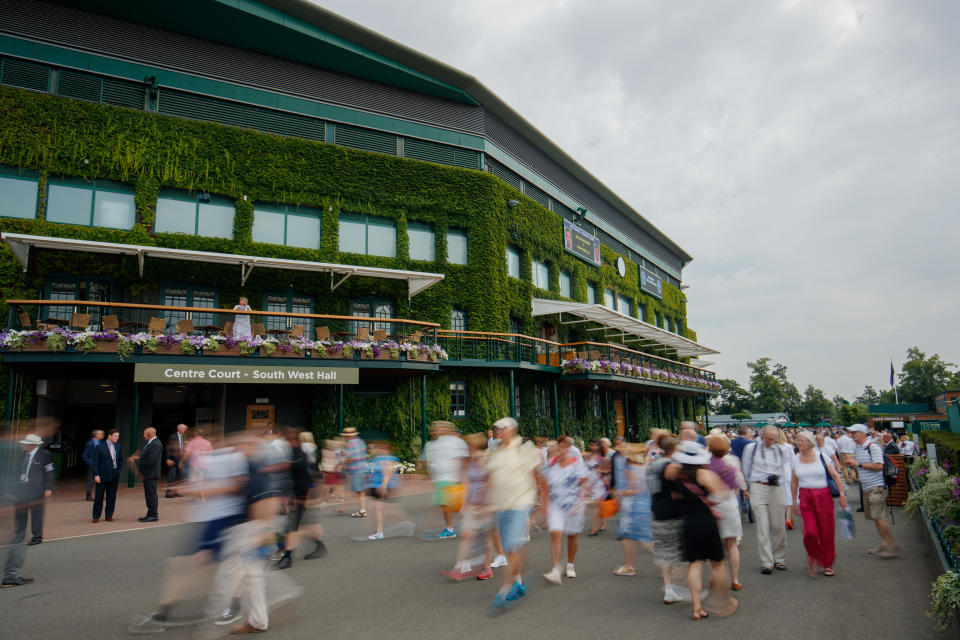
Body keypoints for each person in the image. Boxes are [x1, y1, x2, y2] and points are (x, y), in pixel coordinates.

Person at [664, 441, 737, 620]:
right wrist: (710, 500)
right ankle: (724, 601)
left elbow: (674, 495)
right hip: (706, 521)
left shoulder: (675, 473)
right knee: (717, 564)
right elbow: (723, 493)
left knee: (694, 564)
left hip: (688, 522)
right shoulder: (705, 474)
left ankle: (696, 607)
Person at [486, 417, 541, 612]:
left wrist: (539, 502)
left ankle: (504, 590)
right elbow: (490, 475)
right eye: (497, 429)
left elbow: (536, 474)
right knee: (512, 549)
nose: (498, 432)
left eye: (502, 429)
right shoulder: (493, 449)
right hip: (501, 505)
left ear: (512, 429)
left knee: (511, 545)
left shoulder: (524, 446)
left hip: (521, 502)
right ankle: (518, 582)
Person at [790, 430, 846, 577]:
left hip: (823, 495)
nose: (798, 442)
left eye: (801, 440)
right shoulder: (795, 459)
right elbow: (794, 481)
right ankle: (813, 554)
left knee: (826, 531)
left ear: (809, 443)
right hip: (805, 496)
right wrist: (793, 501)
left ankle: (827, 563)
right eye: (798, 440)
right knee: (810, 532)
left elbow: (835, 475)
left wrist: (841, 494)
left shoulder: (821, 455)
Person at [442, 433, 497, 581]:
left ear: (476, 445)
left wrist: (484, 505)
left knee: (486, 537)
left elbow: (489, 482)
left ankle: (487, 567)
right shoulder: (469, 462)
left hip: (486, 504)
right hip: (473, 504)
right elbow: (466, 483)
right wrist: (465, 504)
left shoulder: (485, 459)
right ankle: (458, 567)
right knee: (466, 534)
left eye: (470, 445)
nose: (468, 447)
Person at [845, 424, 902, 558]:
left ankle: (893, 544)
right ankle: (885, 543)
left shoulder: (873, 447)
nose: (852, 435)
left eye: (855, 433)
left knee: (879, 517)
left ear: (863, 433)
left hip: (877, 486)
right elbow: (860, 466)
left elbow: (878, 466)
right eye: (851, 433)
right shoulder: (858, 448)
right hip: (866, 486)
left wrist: (857, 464)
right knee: (875, 517)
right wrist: (853, 466)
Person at [273, 429, 326, 568]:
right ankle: (320, 547)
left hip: (304, 492)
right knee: (307, 524)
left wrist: (266, 469)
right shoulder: (299, 452)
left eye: (288, 439)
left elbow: (291, 468)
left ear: (296, 440)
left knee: (293, 526)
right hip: (303, 492)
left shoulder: (300, 453)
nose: (285, 442)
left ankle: (287, 556)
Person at [741, 426, 790, 574]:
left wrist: (783, 484)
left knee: (778, 525)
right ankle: (766, 562)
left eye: (774, 439)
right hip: (758, 486)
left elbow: (786, 468)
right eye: (769, 439)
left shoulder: (782, 449)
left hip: (776, 487)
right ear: (762, 435)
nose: (772, 442)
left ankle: (780, 559)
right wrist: (747, 487)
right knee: (762, 525)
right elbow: (745, 467)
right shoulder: (751, 448)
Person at [541, 436, 590, 584]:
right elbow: (545, 485)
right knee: (555, 533)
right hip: (556, 504)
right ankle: (556, 569)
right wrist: (544, 504)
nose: (562, 450)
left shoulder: (576, 463)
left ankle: (570, 565)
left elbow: (584, 482)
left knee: (572, 535)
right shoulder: (551, 464)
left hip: (573, 504)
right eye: (560, 447)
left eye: (565, 447)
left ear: (570, 449)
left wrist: (581, 501)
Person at [647, 434, 684, 604]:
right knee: (676, 548)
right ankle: (675, 586)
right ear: (673, 450)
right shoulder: (672, 467)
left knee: (663, 548)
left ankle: (669, 588)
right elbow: (677, 491)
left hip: (656, 507)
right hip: (672, 509)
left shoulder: (653, 465)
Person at [706, 435, 746, 591]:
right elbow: (737, 486)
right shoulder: (731, 464)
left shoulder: (705, 466)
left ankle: (716, 576)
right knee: (732, 544)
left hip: (712, 505)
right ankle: (735, 578)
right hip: (729, 504)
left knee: (713, 545)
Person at [613, 444, 653, 577]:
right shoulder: (644, 467)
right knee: (635, 537)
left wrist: (618, 492)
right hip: (644, 504)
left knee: (639, 538)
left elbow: (633, 489)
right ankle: (629, 565)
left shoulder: (629, 468)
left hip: (632, 505)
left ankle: (668, 565)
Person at [424, 421, 468, 539]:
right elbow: (429, 460)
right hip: (440, 478)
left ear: (447, 429)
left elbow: (463, 458)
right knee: (446, 505)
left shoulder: (456, 442)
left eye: (438, 429)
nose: (435, 431)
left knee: (448, 505)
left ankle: (452, 528)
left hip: (452, 477)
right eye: (434, 429)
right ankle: (451, 528)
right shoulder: (432, 444)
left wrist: (462, 475)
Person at [365, 442, 403, 540]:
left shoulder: (383, 459)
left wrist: (384, 485)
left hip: (381, 486)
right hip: (377, 485)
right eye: (370, 449)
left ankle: (379, 532)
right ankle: (404, 522)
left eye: (373, 448)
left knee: (377, 509)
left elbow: (388, 472)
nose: (371, 451)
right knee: (381, 509)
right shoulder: (379, 459)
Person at [132, 427, 163, 522]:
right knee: (149, 495)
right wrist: (140, 458)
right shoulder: (152, 443)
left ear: (150, 434)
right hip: (148, 474)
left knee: (151, 495)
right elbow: (148, 457)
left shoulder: (155, 444)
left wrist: (140, 460)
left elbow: (151, 460)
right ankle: (150, 513)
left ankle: (153, 515)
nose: (143, 435)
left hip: (151, 474)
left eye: (145, 434)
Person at [91, 429, 123, 523]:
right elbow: (95, 462)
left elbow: (120, 459)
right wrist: (96, 474)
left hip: (114, 474)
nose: (117, 438)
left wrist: (118, 470)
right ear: (109, 436)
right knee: (99, 496)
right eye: (116, 436)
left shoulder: (118, 446)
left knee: (112, 496)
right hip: (102, 475)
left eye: (118, 436)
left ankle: (109, 515)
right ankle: (96, 516)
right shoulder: (99, 447)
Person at [584, 440, 610, 536]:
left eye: (596, 445)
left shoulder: (603, 459)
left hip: (600, 483)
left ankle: (594, 528)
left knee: (595, 504)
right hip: (590, 483)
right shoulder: (587, 456)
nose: (593, 447)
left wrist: (601, 471)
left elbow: (608, 470)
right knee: (596, 505)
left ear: (599, 447)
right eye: (592, 445)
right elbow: (584, 470)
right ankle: (602, 522)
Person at [341, 427, 368, 518]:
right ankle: (362, 509)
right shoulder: (360, 441)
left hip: (356, 469)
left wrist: (344, 463)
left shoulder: (350, 443)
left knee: (358, 491)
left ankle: (362, 511)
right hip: (362, 468)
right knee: (360, 490)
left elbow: (351, 457)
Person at [165, 423, 188, 498]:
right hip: (173, 459)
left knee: (180, 476)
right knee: (171, 476)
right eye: (184, 428)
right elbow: (168, 448)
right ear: (179, 429)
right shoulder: (172, 436)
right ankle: (168, 493)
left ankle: (176, 491)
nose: (185, 430)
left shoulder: (184, 437)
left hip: (181, 459)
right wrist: (168, 458)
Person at [82, 429, 104, 501]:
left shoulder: (100, 442)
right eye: (101, 434)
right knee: (90, 481)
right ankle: (88, 496)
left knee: (100, 481)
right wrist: (91, 463)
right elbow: (84, 455)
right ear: (96, 435)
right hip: (92, 465)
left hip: (99, 465)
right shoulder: (90, 443)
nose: (102, 435)